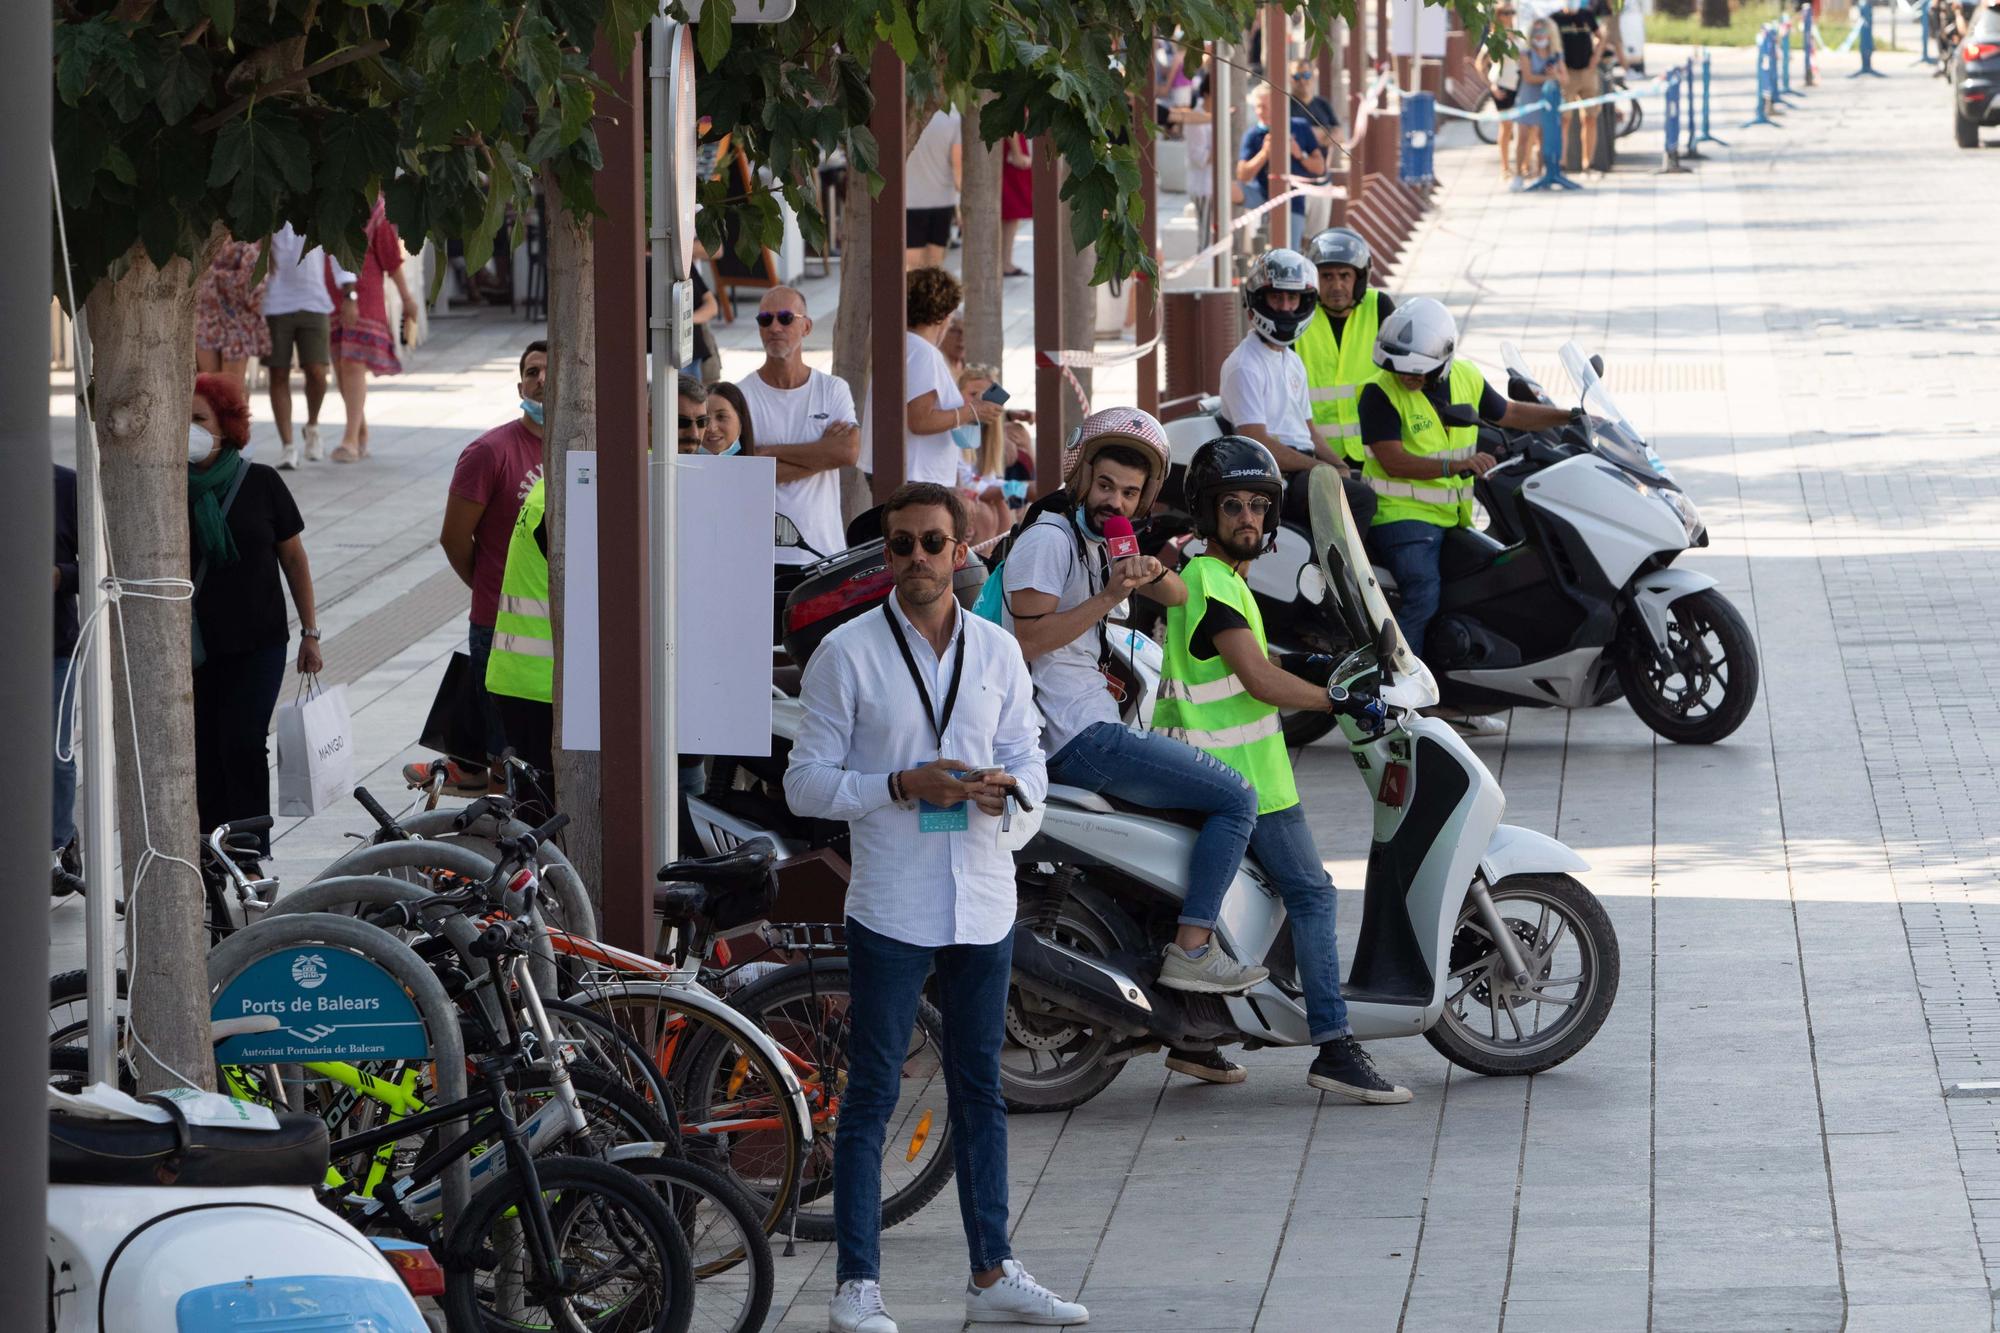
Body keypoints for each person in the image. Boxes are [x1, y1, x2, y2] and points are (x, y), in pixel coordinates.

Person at [785, 482, 1083, 1333]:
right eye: (902, 545)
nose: (917, 558)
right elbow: (804, 783)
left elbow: (1030, 753)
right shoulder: (846, 654)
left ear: (962, 552)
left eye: (932, 543)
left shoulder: (995, 651)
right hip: (893, 903)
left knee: (982, 1091)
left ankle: (993, 1272)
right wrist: (897, 784)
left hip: (984, 896)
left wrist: (1010, 790)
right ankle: (856, 1286)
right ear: (887, 557)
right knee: (873, 1091)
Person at [1002, 407, 1270, 1081]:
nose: (1114, 501)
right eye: (1107, 486)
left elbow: (1179, 596)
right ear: (1084, 475)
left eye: (1130, 493)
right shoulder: (1049, 540)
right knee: (1236, 796)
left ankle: (1186, 1028)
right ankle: (1192, 947)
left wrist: (1144, 565)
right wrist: (1108, 597)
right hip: (1077, 738)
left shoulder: (1099, 541)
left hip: (1097, 725)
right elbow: (1025, 640)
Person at [1156, 435, 1412, 1104]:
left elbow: (1250, 669)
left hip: (1230, 770)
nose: (1249, 518)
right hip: (1244, 779)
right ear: (1208, 514)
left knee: (1274, 905)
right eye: (1234, 506)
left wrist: (1326, 665)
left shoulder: (1219, 579)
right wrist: (1338, 697)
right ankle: (1333, 1043)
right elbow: (1259, 678)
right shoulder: (1212, 583)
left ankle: (1196, 1037)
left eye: (1261, 508)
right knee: (1312, 895)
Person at [1359, 297, 1579, 666]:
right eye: (1399, 369)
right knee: (1423, 593)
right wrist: (1455, 466)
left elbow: (1508, 413)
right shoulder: (1378, 392)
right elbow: (1392, 460)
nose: (1406, 378)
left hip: (1451, 517)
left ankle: (1458, 687)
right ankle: (1401, 690)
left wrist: (1570, 417)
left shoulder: (1466, 376)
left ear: (1443, 361)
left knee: (1482, 589)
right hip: (1402, 518)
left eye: (1417, 371)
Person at [188, 373, 321, 859]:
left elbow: (294, 560)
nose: (190, 429)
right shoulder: (163, 491)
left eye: (199, 419)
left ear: (226, 426)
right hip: (193, 647)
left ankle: (248, 851)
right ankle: (208, 850)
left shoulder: (261, 481)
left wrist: (310, 633)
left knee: (243, 743)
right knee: (203, 750)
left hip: (258, 643)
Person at [418, 340, 548, 795]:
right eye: (532, 372)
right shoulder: (490, 452)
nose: (541, 380)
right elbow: (454, 538)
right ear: (520, 384)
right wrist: (489, 587)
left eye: (551, 371)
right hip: (500, 631)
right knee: (506, 764)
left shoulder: (583, 450)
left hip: (564, 634)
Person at [1217, 248, 1343, 531]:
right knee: (1360, 500)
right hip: (1276, 475)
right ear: (1260, 300)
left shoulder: (1292, 360)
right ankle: (1337, 574)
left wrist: (1340, 466)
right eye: (1277, 297)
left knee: (1360, 488)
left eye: (1293, 297)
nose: (1286, 306)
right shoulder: (1244, 365)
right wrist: (1320, 469)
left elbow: (1310, 431)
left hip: (1302, 468)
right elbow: (1255, 442)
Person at [735, 287, 860, 567]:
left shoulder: (833, 389)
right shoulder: (740, 394)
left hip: (823, 551)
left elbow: (848, 453)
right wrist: (823, 456)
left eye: (785, 318)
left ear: (806, 326)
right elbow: (744, 472)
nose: (774, 327)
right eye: (765, 319)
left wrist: (769, 451)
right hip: (760, 553)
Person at [878, 267, 1002, 489]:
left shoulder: (904, 346)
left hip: (911, 473)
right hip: (917, 477)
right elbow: (919, 420)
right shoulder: (924, 353)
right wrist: (973, 411)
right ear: (944, 315)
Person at [483, 471, 555, 811]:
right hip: (542, 684)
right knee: (545, 813)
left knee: (536, 808)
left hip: (521, 677)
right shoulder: (564, 496)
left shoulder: (548, 486)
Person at [328, 197, 418, 463]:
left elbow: (391, 259)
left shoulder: (376, 210)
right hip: (332, 294)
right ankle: (360, 431)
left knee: (352, 363)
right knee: (341, 367)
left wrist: (407, 298)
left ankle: (350, 438)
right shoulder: (328, 202)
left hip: (365, 297)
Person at [263, 223, 355, 471]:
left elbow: (338, 248)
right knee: (278, 372)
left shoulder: (313, 204)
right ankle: (288, 446)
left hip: (313, 301)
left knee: (317, 372)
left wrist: (349, 294)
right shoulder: (272, 207)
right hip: (275, 301)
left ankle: (312, 425)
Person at [1235, 82, 1325, 234]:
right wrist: (1264, 153)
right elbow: (1242, 175)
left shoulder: (1300, 127)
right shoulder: (1253, 135)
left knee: (1290, 249)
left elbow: (1320, 167)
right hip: (1262, 195)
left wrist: (1299, 154)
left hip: (1294, 199)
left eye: (1265, 106)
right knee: (1227, 189)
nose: (1260, 111)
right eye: (1258, 106)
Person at [1553, 0, 1622, 173]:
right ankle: (1562, 162)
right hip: (1567, 73)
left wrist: (1596, 58)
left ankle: (1588, 163)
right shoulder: (1555, 19)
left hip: (1588, 72)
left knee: (1590, 118)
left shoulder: (1587, 15)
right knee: (1564, 119)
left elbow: (1602, 36)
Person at [195, 235, 270, 388]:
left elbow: (252, 279)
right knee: (210, 385)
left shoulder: (247, 233)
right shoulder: (204, 232)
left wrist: (213, 276)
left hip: (237, 322)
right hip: (206, 318)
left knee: (231, 388)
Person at [52, 465, 79, 883]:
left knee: (54, 752)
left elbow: (97, 562)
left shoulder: (64, 485)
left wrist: (61, 575)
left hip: (52, 642)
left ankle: (58, 843)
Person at [953, 365, 1014, 546]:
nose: (979, 403)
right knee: (986, 514)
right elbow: (966, 482)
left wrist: (1015, 488)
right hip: (951, 491)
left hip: (969, 494)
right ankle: (980, 565)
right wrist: (1016, 489)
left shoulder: (987, 435)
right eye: (973, 395)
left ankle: (996, 560)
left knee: (1003, 506)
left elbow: (989, 478)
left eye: (984, 397)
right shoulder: (955, 428)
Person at [1475, 6, 1527, 189]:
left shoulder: (1519, 35)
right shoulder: (1493, 38)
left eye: (1512, 12)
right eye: (1505, 13)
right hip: (1503, 84)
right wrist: (1491, 87)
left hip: (1520, 82)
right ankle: (1505, 167)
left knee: (1525, 126)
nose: (1509, 16)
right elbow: (1480, 63)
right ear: (1498, 16)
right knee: (1506, 127)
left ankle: (1524, 164)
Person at [905, 106, 962, 270]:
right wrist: (960, 205)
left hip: (910, 200)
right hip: (942, 200)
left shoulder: (905, 114)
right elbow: (957, 166)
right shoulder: (952, 116)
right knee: (934, 265)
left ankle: (911, 296)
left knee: (911, 267)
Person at [1519, 17, 1565, 176]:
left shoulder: (1556, 55)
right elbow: (1528, 77)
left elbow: (1565, 79)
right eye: (1536, 32)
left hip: (1547, 100)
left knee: (1543, 139)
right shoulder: (1526, 53)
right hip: (1528, 98)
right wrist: (1549, 78)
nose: (1540, 36)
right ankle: (1519, 173)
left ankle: (1540, 172)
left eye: (1543, 32)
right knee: (1523, 137)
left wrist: (1556, 76)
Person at [1000, 133, 1033, 276]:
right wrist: (1017, 153)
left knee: (1011, 212)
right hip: (1011, 151)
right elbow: (1009, 120)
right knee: (1011, 209)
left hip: (1012, 148)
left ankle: (1005, 261)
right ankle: (1004, 261)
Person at [703, 382, 755, 456]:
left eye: (721, 416)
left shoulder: (761, 467)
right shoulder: (681, 466)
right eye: (704, 419)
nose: (711, 428)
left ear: (741, 420)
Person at [675, 374, 711, 454]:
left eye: (701, 422)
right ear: (650, 420)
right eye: (682, 422)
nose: (694, 433)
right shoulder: (642, 461)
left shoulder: (714, 464)